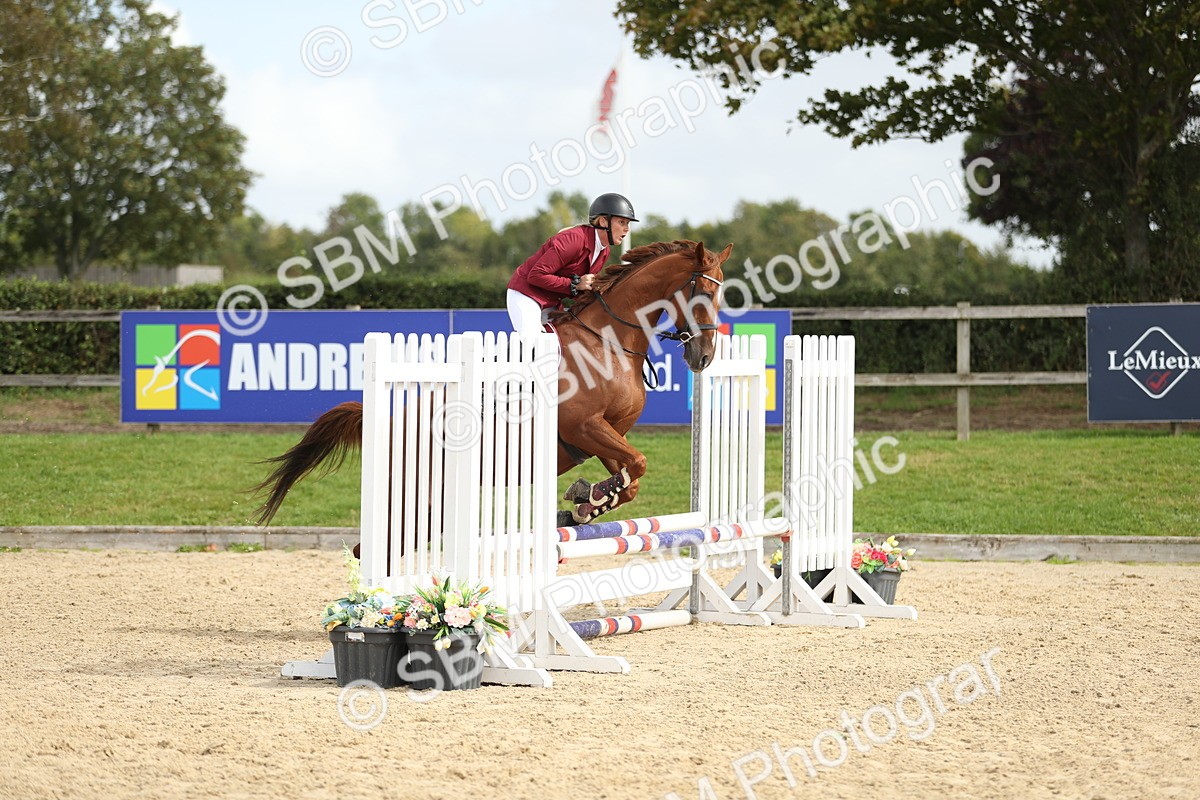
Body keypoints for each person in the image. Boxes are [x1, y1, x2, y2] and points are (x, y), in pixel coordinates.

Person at [506, 193, 637, 338]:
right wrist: (575, 284)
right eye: (622, 222)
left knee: (565, 341)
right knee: (531, 340)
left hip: (551, 302)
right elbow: (536, 276)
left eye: (628, 223)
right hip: (526, 294)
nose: (627, 229)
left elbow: (582, 290)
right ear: (603, 221)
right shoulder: (574, 240)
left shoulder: (604, 251)